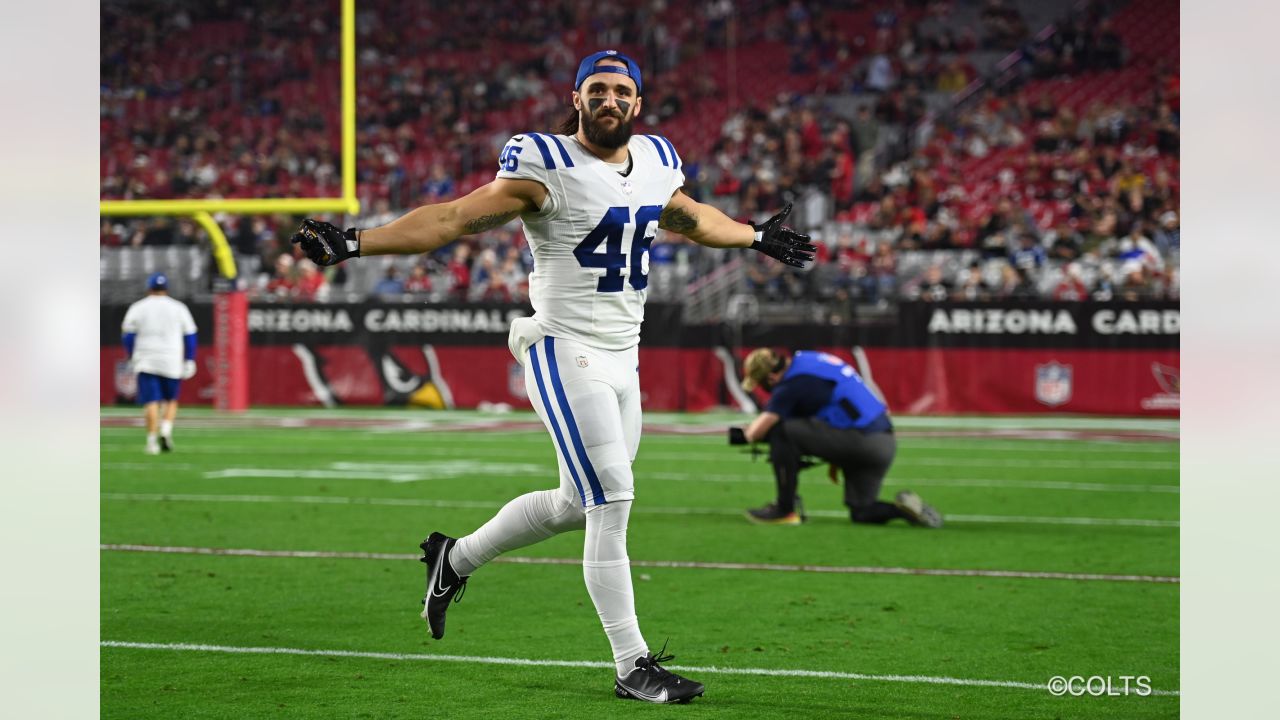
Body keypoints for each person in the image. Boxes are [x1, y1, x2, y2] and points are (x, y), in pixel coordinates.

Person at [290, 50, 815, 704]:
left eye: (622, 91)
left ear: (638, 104)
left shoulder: (654, 159)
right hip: (563, 347)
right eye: (598, 89)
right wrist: (355, 242)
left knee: (580, 502)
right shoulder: (546, 163)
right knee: (612, 498)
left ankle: (452, 560)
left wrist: (752, 238)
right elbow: (454, 217)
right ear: (576, 98)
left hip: (624, 356)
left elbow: (685, 215)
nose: (610, 99)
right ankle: (633, 665)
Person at [731, 348, 942, 528]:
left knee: (781, 432)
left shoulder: (793, 384)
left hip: (860, 441)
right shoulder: (809, 359)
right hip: (882, 441)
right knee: (862, 511)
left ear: (771, 377)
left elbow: (757, 432)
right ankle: (902, 510)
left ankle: (785, 509)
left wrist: (740, 435)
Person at [121, 272, 197, 455]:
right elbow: (190, 336)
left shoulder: (138, 307)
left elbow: (128, 336)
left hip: (146, 359)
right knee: (171, 400)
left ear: (149, 288)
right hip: (171, 360)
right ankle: (166, 430)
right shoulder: (178, 307)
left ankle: (152, 441)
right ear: (167, 289)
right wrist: (190, 359)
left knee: (151, 401)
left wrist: (131, 356)